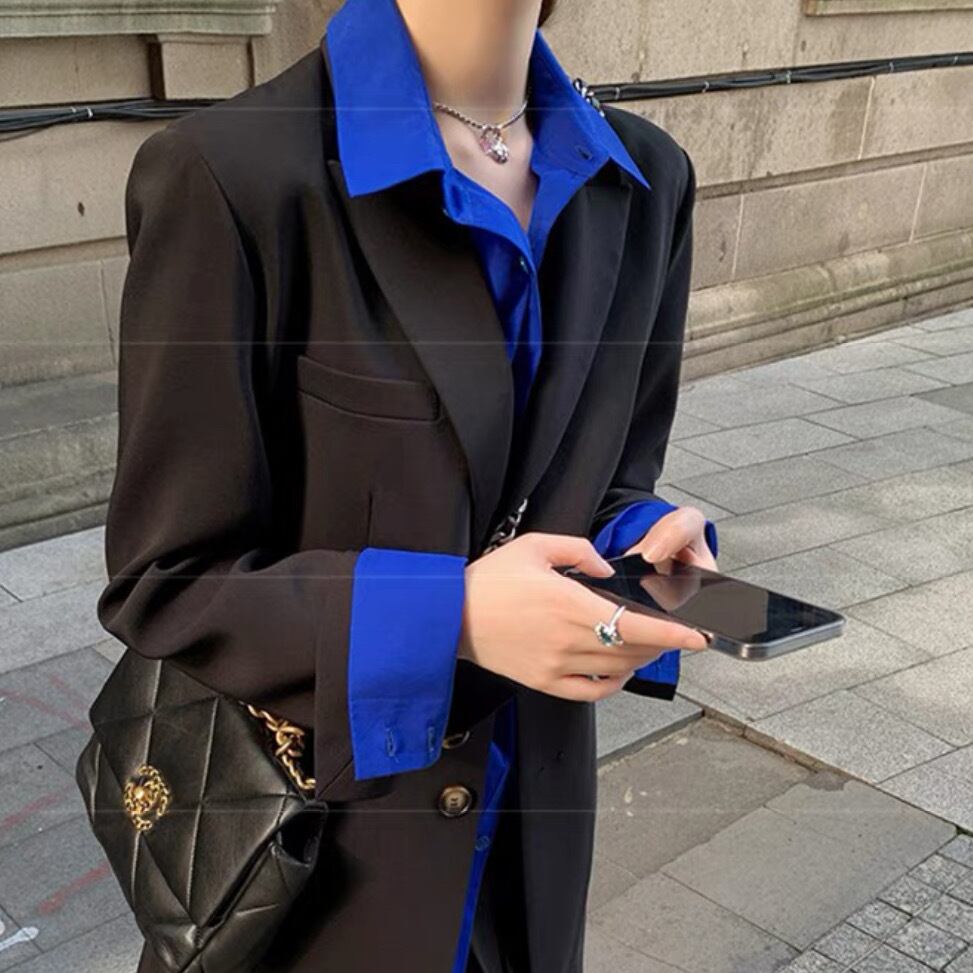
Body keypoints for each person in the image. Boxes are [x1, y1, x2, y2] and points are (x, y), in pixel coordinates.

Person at [96, 0, 719, 970]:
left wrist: (639, 539)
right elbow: (165, 581)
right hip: (319, 858)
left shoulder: (645, 180)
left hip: (534, 827)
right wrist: (451, 615)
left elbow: (607, 477)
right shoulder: (230, 174)